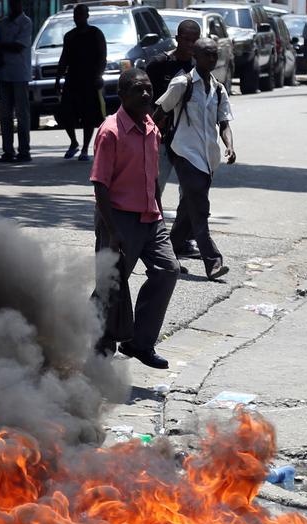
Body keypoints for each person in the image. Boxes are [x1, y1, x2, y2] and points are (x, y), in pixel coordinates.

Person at [90, 68, 178, 370]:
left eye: (148, 89)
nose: (145, 95)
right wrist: (112, 232)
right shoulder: (110, 130)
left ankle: (139, 342)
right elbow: (100, 184)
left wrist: (161, 215)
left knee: (168, 270)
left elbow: (152, 178)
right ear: (123, 95)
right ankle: (94, 344)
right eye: (138, 90)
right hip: (118, 217)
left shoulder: (151, 126)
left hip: (150, 217)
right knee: (110, 284)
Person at [156, 38, 235, 282]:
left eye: (214, 55)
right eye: (207, 55)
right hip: (185, 153)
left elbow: (224, 123)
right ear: (196, 57)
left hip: (208, 158)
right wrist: (146, 143)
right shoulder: (182, 83)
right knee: (200, 209)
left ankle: (168, 253)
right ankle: (213, 261)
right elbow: (160, 112)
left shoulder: (218, 89)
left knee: (187, 213)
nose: (212, 59)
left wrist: (229, 145)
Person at [146, 19, 199, 203]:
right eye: (187, 40)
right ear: (177, 39)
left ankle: (182, 231)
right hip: (161, 138)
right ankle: (150, 228)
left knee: (189, 193)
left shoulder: (199, 68)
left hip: (188, 141)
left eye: (195, 40)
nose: (191, 44)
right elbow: (144, 99)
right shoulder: (159, 64)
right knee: (154, 189)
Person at [56, 4, 106, 161]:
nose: (78, 18)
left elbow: (102, 57)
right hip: (72, 80)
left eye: (81, 15)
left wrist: (98, 76)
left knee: (88, 116)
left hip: (90, 80)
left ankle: (85, 148)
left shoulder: (95, 34)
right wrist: (58, 79)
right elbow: (64, 58)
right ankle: (73, 142)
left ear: (87, 16)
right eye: (76, 15)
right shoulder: (70, 36)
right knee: (66, 114)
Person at [0, 0, 32, 163]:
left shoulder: (26, 22)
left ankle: (24, 151)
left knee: (22, 114)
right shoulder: (2, 23)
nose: (13, 7)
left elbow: (18, 46)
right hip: (4, 74)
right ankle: (8, 151)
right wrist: (3, 46)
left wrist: (2, 45)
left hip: (20, 74)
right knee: (5, 115)